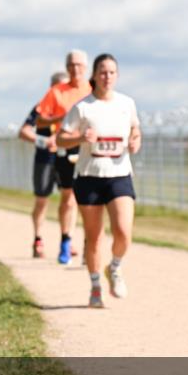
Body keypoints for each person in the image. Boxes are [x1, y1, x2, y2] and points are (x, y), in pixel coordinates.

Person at [58, 54, 141, 308]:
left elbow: (135, 130)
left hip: (119, 175)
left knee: (124, 232)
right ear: (94, 75)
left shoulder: (127, 104)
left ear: (117, 76)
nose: (107, 77)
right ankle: (95, 286)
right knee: (94, 238)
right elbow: (60, 140)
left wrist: (135, 140)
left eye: (112, 72)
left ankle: (114, 268)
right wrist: (81, 137)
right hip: (89, 177)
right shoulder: (83, 108)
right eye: (103, 72)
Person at [35, 51, 91, 264]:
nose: (75, 69)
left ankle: (89, 243)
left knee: (90, 199)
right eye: (71, 65)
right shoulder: (57, 92)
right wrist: (62, 117)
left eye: (79, 65)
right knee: (68, 197)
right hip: (66, 149)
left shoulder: (92, 90)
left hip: (89, 149)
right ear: (66, 68)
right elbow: (40, 120)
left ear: (85, 67)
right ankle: (66, 239)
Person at [19, 71, 71, 258]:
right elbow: (23, 132)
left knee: (69, 200)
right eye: (60, 88)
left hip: (67, 158)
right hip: (45, 160)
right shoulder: (41, 109)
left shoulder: (72, 111)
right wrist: (43, 141)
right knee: (42, 200)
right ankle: (38, 239)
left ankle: (67, 239)